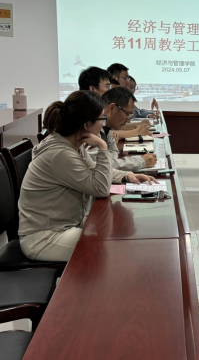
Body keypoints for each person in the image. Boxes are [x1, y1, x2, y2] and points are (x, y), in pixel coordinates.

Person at [18, 91, 156, 262]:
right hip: (44, 238)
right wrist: (103, 147)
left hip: (64, 226)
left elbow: (96, 171)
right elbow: (100, 188)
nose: (103, 124)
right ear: (87, 125)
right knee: (108, 247)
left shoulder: (73, 145)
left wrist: (127, 175)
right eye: (101, 119)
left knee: (113, 236)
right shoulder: (61, 154)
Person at [99, 87, 158, 171]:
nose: (128, 119)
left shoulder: (105, 128)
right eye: (127, 114)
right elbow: (104, 166)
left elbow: (112, 160)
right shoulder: (92, 126)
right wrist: (141, 161)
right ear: (112, 108)